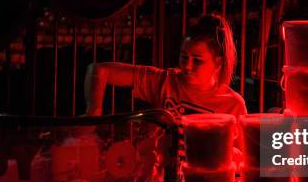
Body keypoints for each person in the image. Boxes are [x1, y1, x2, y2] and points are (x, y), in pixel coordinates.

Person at [84, 14, 247, 119]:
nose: (187, 66)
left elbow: (244, 157)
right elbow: (99, 70)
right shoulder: (165, 81)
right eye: (184, 57)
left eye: (197, 60)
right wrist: (93, 112)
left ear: (218, 63)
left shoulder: (233, 105)